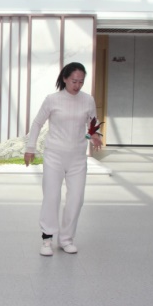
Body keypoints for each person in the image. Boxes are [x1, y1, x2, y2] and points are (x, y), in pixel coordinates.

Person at [24, 62, 102, 256]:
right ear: (65, 78)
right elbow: (37, 123)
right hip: (54, 156)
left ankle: (66, 239)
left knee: (76, 199)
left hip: (78, 158)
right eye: (74, 81)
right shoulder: (52, 100)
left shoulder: (88, 100)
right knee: (52, 196)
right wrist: (30, 148)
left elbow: (93, 124)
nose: (77, 85)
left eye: (81, 82)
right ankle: (47, 239)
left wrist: (95, 135)